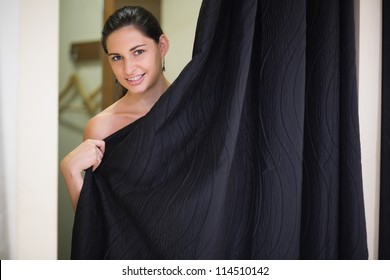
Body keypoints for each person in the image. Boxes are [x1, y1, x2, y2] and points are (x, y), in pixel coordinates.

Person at [61, 6, 170, 211]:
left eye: (138, 52)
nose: (128, 69)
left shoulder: (193, 107)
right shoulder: (101, 129)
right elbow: (96, 225)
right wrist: (70, 173)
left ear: (162, 46)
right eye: (117, 58)